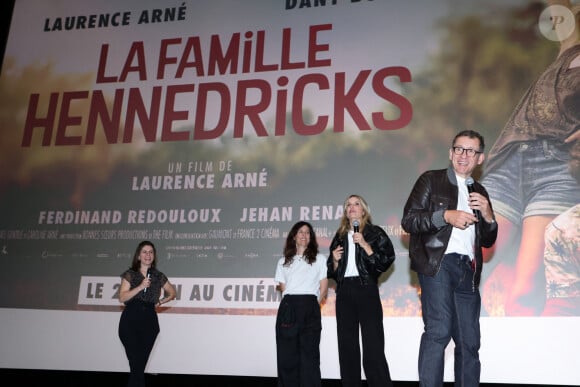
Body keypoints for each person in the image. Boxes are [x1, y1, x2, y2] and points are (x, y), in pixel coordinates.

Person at [480, 0, 580, 316]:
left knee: (522, 292)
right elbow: (561, 16)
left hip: (557, 168)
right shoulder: (567, 48)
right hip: (509, 161)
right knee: (468, 266)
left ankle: (519, 363)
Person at [401, 130, 498, 387]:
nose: (464, 155)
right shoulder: (431, 181)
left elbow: (487, 240)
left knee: (469, 341)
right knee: (439, 331)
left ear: (480, 158)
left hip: (468, 270)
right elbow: (409, 220)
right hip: (438, 265)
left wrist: (488, 214)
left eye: (471, 151)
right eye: (459, 149)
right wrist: (445, 216)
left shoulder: (480, 191)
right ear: (450, 153)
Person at [327, 194, 395, 387]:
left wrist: (365, 245)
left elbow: (385, 261)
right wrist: (334, 260)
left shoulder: (375, 233)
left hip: (366, 289)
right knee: (347, 347)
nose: (352, 207)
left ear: (363, 210)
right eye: (348, 205)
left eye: (356, 204)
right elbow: (330, 271)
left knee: (373, 347)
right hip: (344, 291)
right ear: (346, 212)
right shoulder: (340, 236)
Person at [275, 221, 328, 387]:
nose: (304, 235)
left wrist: (312, 305)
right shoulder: (283, 261)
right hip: (289, 307)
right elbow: (284, 289)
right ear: (294, 236)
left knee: (310, 356)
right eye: (300, 232)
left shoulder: (319, 259)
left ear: (311, 237)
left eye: (307, 232)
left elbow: (324, 287)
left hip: (310, 306)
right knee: (287, 356)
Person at [118, 240, 177, 387]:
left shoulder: (158, 275)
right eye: (144, 252)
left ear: (154, 256)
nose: (148, 255)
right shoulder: (130, 274)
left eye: (151, 252)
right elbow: (122, 298)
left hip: (149, 321)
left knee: (138, 366)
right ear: (138, 255)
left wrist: (161, 302)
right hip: (130, 320)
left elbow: (173, 292)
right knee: (136, 364)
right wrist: (140, 287)